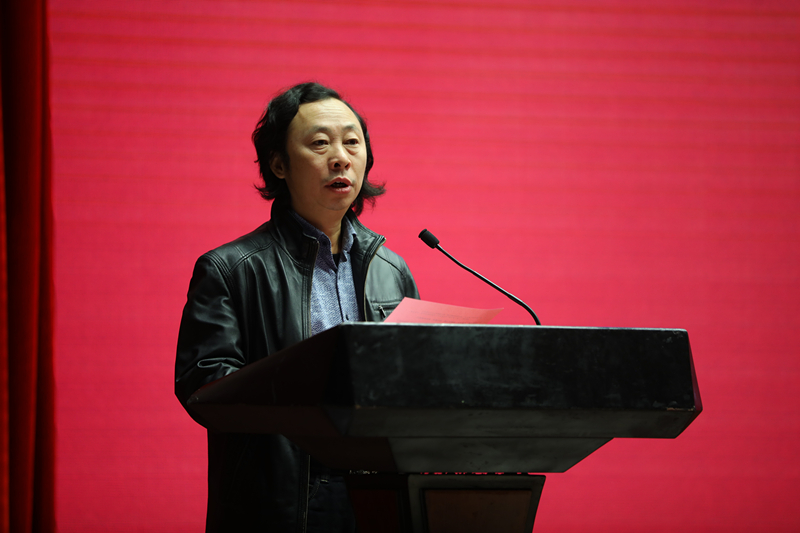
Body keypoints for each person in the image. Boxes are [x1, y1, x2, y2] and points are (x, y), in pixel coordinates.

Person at [174, 82, 419, 532]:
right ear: (279, 164)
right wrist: (308, 385)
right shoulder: (230, 270)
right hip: (283, 497)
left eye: (352, 142)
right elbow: (203, 387)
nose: (340, 157)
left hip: (379, 492)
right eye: (320, 143)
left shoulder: (392, 270)